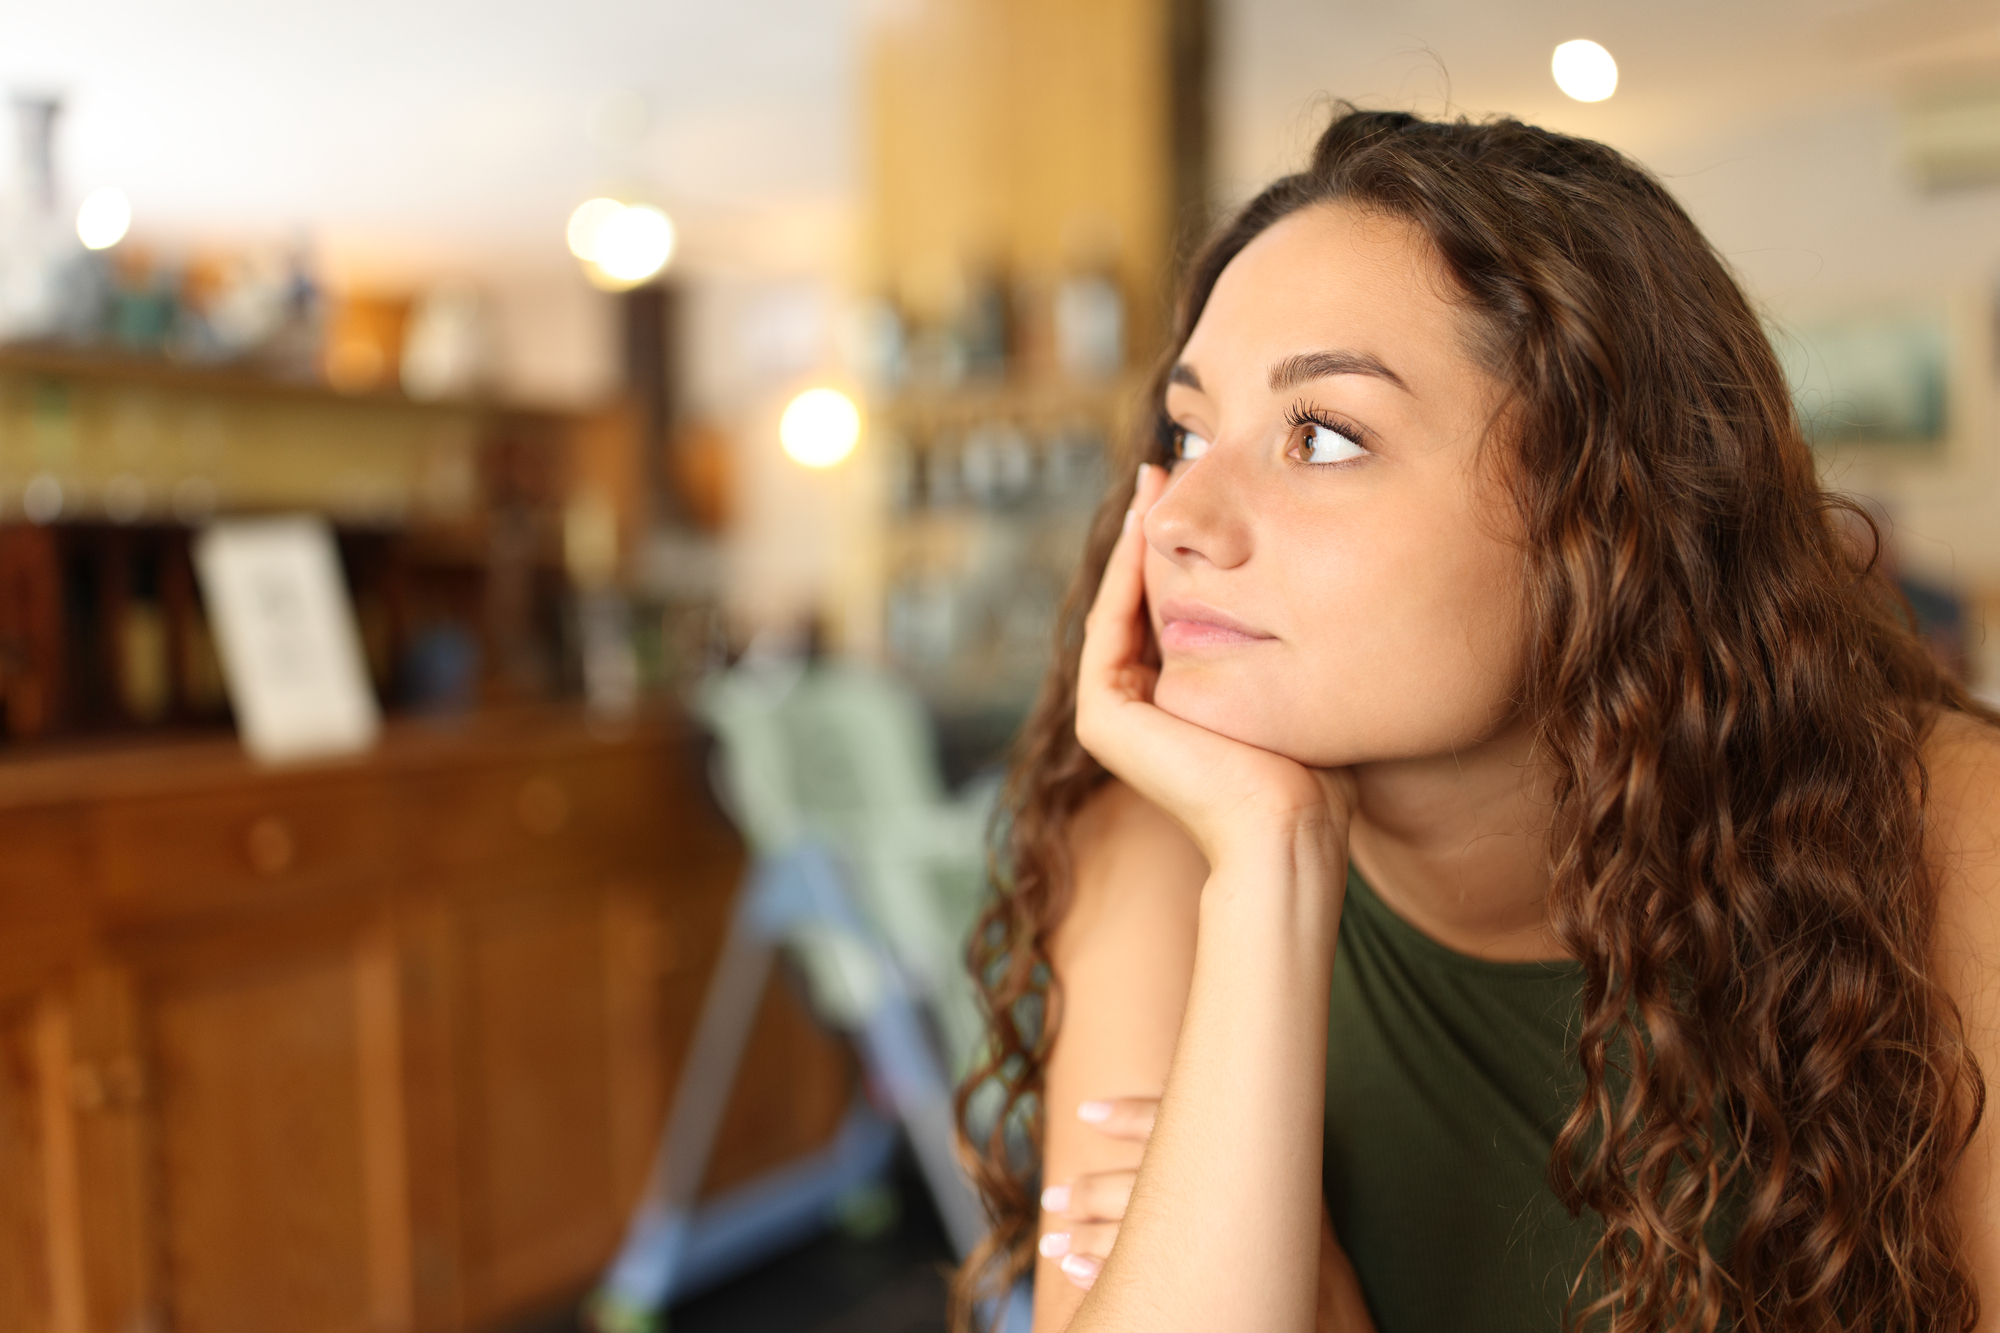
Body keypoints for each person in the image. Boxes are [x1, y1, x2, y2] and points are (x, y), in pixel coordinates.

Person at [950, 106, 2000, 1333]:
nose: (1181, 515)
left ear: (1608, 512)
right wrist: (1271, 866)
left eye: (1322, 436)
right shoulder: (1160, 850)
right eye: (1187, 431)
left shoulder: (1945, 845)